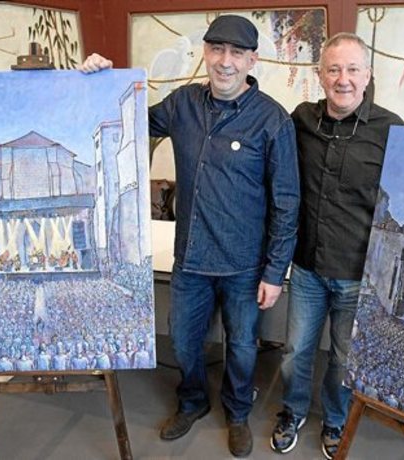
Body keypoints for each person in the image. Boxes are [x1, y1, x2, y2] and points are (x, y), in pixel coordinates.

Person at [80, 15, 299, 457]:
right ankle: (194, 400)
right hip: (191, 259)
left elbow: (287, 202)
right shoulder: (182, 104)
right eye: (216, 49)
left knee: (242, 346)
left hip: (244, 264)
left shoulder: (272, 121)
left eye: (236, 53)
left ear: (252, 60)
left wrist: (275, 272)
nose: (225, 61)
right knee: (182, 339)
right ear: (205, 53)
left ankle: (237, 412)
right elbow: (129, 119)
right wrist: (99, 81)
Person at [270, 33, 404, 459]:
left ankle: (334, 418)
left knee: (344, 359)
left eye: (352, 69)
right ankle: (293, 411)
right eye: (333, 69)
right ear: (320, 75)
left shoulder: (393, 131)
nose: (342, 79)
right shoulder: (300, 120)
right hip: (307, 267)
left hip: (357, 274)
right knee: (295, 352)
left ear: (367, 75)